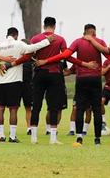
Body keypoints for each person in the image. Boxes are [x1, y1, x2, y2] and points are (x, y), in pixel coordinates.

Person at [35, 24, 110, 146]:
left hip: (81, 79)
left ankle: (79, 137)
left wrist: (45, 61)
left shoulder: (78, 42)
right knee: (97, 109)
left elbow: (65, 55)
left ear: (84, 32)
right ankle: (97, 139)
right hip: (95, 78)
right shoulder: (99, 41)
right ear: (94, 33)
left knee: (79, 109)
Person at [12, 17, 72, 145]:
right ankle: (53, 138)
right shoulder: (60, 39)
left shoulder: (35, 39)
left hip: (39, 74)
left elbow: (28, 56)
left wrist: (15, 62)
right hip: (55, 74)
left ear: (43, 26)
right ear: (54, 26)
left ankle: (34, 137)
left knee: (36, 105)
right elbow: (65, 55)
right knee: (54, 106)